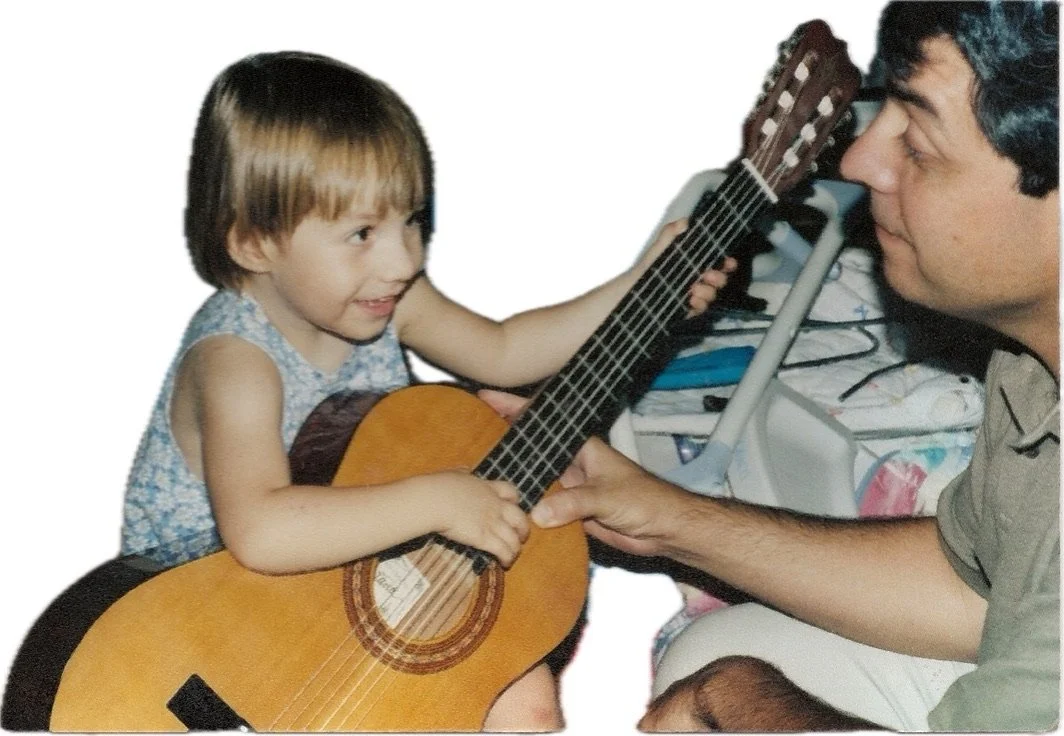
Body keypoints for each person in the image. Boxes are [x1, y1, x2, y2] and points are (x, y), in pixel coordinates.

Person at [118, 51, 732, 731]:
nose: (405, 259)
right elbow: (261, 532)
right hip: (230, 633)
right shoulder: (235, 360)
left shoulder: (382, 296)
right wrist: (435, 500)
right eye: (363, 233)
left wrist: (645, 281)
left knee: (524, 695)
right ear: (254, 243)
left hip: (354, 583)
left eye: (411, 220)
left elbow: (504, 350)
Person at [519, 1, 1059, 730]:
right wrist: (669, 516)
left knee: (723, 683)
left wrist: (735, 701)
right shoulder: (1032, 363)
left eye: (919, 140)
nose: (860, 159)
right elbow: (977, 588)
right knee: (717, 647)